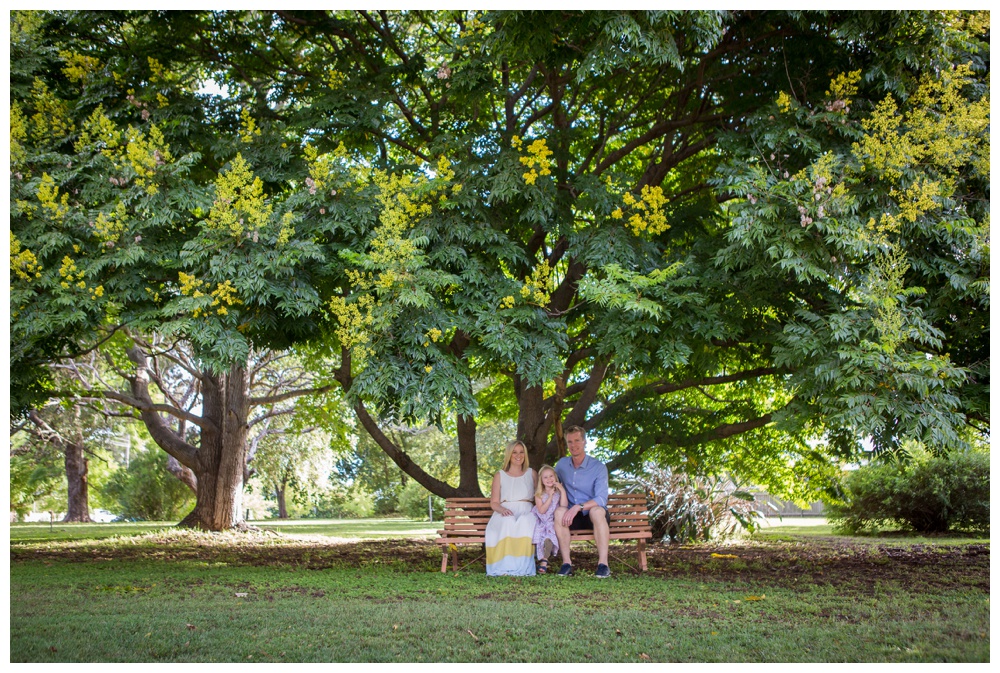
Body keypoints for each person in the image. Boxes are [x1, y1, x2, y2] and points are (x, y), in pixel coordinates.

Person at [553, 426, 610, 578]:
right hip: (572, 516)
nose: (573, 445)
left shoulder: (598, 467)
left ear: (584, 442)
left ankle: (603, 564)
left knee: (597, 511)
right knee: (559, 512)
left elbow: (601, 498)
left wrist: (579, 507)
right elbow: (551, 484)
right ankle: (566, 564)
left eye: (577, 440)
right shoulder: (561, 465)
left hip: (593, 515)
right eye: (570, 442)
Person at [484, 440, 537, 576]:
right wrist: (502, 510)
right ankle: (504, 567)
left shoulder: (531, 473)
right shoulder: (499, 475)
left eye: (521, 452)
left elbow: (539, 498)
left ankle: (522, 567)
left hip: (527, 510)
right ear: (509, 454)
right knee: (508, 521)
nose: (518, 455)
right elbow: (494, 502)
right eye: (514, 452)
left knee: (526, 521)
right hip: (505, 511)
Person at [531, 464, 567, 574]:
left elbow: (564, 506)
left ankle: (544, 563)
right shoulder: (539, 494)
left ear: (555, 477)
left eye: (551, 476)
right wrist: (550, 497)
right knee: (539, 536)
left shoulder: (558, 492)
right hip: (540, 520)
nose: (549, 479)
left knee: (549, 539)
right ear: (541, 480)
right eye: (545, 477)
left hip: (552, 521)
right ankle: (537, 561)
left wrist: (562, 490)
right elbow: (541, 510)